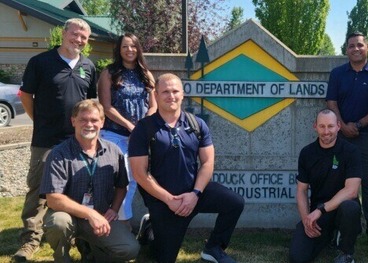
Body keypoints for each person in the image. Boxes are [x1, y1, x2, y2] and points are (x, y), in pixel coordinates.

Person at [129, 73, 245, 263]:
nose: (171, 96)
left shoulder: (196, 124)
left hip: (194, 194)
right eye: (165, 91)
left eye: (175, 91)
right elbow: (139, 174)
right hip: (164, 200)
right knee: (163, 258)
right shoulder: (144, 128)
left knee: (234, 203)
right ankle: (151, 228)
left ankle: (214, 248)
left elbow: (207, 162)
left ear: (183, 94)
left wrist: (195, 193)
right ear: (156, 95)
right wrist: (169, 200)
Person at [15, 18, 97, 261]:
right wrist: (39, 120)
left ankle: (76, 237)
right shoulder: (40, 62)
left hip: (77, 142)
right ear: (63, 33)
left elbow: (90, 104)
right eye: (75, 34)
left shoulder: (88, 66)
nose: (79, 40)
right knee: (38, 190)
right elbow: (26, 95)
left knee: (78, 189)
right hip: (46, 140)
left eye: (84, 37)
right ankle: (30, 240)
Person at [40, 100, 140, 262]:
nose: (89, 125)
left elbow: (122, 186)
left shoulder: (114, 151)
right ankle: (62, 258)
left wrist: (114, 209)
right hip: (68, 215)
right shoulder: (59, 153)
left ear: (102, 122)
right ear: (73, 121)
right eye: (83, 120)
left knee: (130, 249)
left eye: (94, 120)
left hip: (100, 216)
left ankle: (93, 253)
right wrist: (90, 213)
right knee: (58, 223)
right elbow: (53, 199)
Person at [326, 32, 368, 250]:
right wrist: (343, 126)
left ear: (367, 48)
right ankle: (349, 227)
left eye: (360, 45)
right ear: (346, 50)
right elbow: (331, 102)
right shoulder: (337, 74)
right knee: (341, 184)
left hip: (366, 137)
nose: (356, 49)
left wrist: (359, 125)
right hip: (341, 137)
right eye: (351, 46)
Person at [98, 33, 157, 225]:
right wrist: (131, 126)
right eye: (125, 46)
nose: (129, 50)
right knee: (117, 179)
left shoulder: (145, 74)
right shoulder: (109, 73)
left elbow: (153, 106)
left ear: (138, 49)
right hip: (114, 134)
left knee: (134, 179)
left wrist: (141, 129)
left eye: (133, 46)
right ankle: (110, 221)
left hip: (139, 136)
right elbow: (106, 107)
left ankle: (123, 221)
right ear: (119, 50)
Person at [289, 109, 362, 263]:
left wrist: (320, 210)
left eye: (330, 126)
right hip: (319, 214)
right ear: (315, 126)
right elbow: (301, 191)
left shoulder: (351, 152)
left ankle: (346, 253)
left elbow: (351, 191)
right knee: (297, 258)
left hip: (340, 210)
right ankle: (330, 236)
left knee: (351, 207)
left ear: (338, 126)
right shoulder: (307, 153)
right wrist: (306, 221)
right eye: (322, 126)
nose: (326, 131)